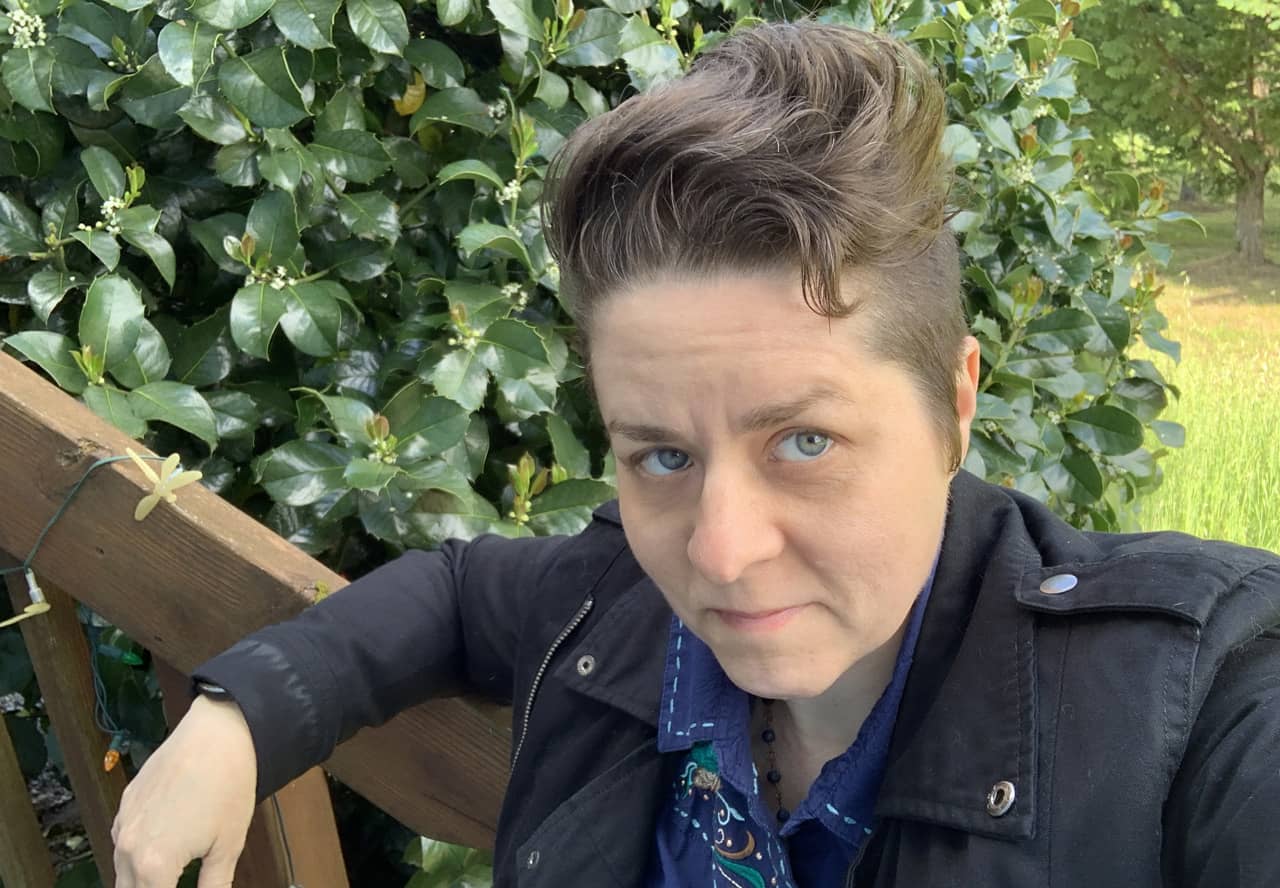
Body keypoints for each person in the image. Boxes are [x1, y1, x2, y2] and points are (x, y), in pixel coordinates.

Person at [110, 20, 1280, 888]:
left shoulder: (1190, 706)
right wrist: (242, 717)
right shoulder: (608, 599)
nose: (717, 554)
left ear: (954, 403)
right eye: (659, 456)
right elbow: (460, 594)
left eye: (804, 440)